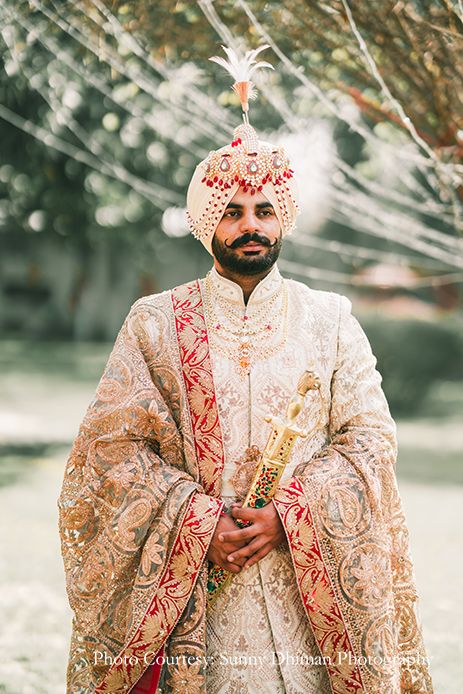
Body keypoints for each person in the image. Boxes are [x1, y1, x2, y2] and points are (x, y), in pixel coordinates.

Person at [58, 47, 433, 694]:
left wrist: (285, 515)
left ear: (280, 217)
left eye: (262, 210)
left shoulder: (330, 319)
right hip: (196, 598)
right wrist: (196, 521)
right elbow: (111, 454)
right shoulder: (155, 322)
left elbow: (369, 442)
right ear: (206, 225)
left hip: (303, 599)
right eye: (230, 212)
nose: (249, 226)